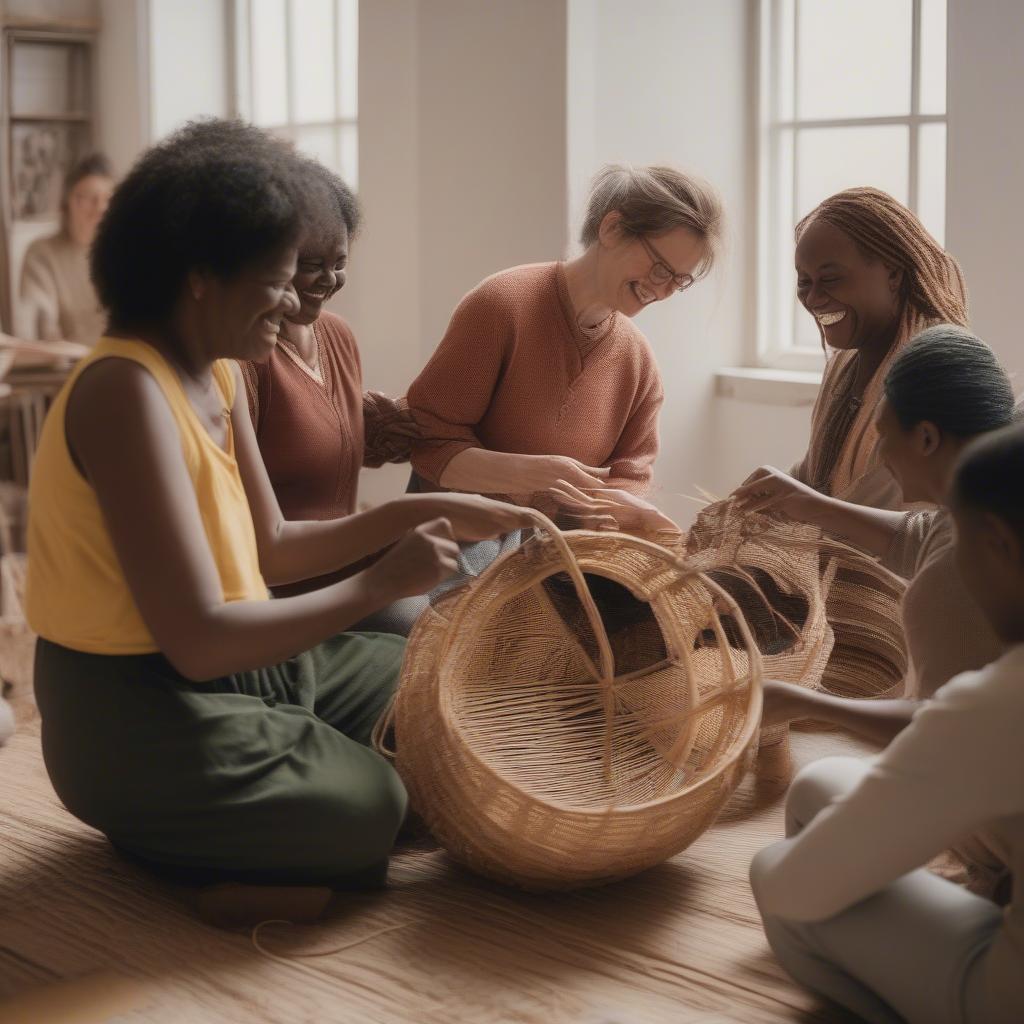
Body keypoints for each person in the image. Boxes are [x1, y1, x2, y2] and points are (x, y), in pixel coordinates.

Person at [25, 119, 531, 889]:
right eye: (278, 278)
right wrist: (379, 583)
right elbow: (196, 641)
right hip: (137, 707)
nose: (295, 301)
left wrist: (421, 515)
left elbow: (272, 546)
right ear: (201, 274)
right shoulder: (124, 392)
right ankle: (162, 831)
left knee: (434, 692)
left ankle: (258, 799)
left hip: (245, 665)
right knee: (374, 806)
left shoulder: (216, 371)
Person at [750, 420, 1024, 1024]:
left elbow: (797, 888)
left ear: (1001, 542)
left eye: (964, 546)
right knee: (822, 787)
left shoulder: (996, 704)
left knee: (773, 873)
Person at [405, 163, 722, 550]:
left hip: (558, 558)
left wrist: (613, 506)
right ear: (612, 229)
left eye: (679, 280)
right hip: (449, 546)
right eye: (660, 269)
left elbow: (629, 474)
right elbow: (430, 441)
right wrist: (537, 474)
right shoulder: (503, 305)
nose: (665, 291)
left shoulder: (638, 361)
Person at [732, 326, 1012, 748]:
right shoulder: (1001, 473)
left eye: (884, 436)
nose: (879, 454)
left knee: (815, 791)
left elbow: (943, 732)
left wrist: (812, 704)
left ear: (926, 438)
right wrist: (812, 504)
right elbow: (925, 536)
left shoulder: (958, 581)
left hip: (995, 788)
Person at [238, 159, 423, 634]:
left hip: (347, 573)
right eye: (311, 266)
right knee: (427, 630)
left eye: (339, 264)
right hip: (282, 594)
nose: (329, 280)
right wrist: (398, 529)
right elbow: (260, 541)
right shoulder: (241, 356)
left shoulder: (338, 336)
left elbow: (331, 436)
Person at [783, 187, 968, 510]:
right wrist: (767, 493)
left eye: (829, 279)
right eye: (803, 281)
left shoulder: (934, 373)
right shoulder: (845, 362)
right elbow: (818, 475)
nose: (812, 299)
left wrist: (793, 508)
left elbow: (911, 529)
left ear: (893, 273)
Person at [19, 153, 114, 347]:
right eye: (89, 198)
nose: (100, 208)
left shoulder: (124, 253)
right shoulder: (41, 253)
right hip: (66, 367)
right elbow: (40, 327)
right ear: (67, 201)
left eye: (107, 198)